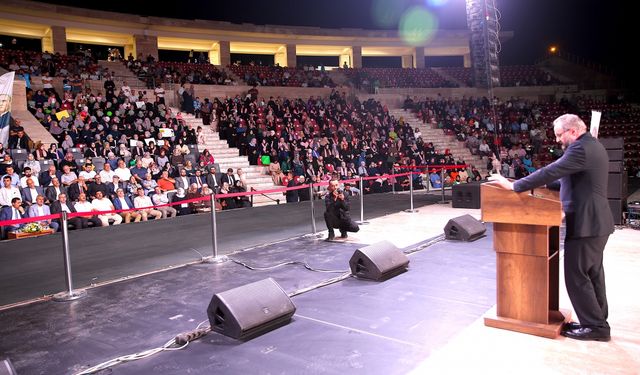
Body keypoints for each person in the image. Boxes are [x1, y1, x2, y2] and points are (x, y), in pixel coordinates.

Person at [489, 114, 614, 342]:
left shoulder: (579, 149)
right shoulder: (593, 146)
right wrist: (543, 184)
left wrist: (514, 185)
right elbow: (566, 179)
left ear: (572, 131)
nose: (557, 140)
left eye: (559, 135)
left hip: (587, 223)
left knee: (576, 276)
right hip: (596, 222)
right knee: (593, 273)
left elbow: (551, 170)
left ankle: (595, 327)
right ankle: (598, 319)